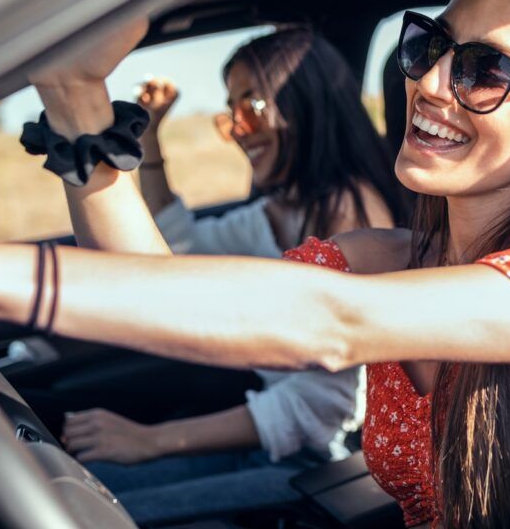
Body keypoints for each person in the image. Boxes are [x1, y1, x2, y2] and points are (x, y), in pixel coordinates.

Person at [0, 0, 510, 528]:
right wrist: (74, 93)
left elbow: (328, 322)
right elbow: (159, 286)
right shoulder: (384, 259)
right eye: (430, 48)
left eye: (485, 70)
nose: (430, 83)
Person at [59, 29, 407, 525]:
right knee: (88, 491)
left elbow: (323, 405)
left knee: (113, 514)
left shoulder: (355, 216)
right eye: (231, 111)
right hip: (275, 436)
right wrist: (151, 138)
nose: (239, 128)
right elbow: (178, 251)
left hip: (332, 462)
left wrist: (148, 440)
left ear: (304, 105)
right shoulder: (280, 209)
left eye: (254, 106)